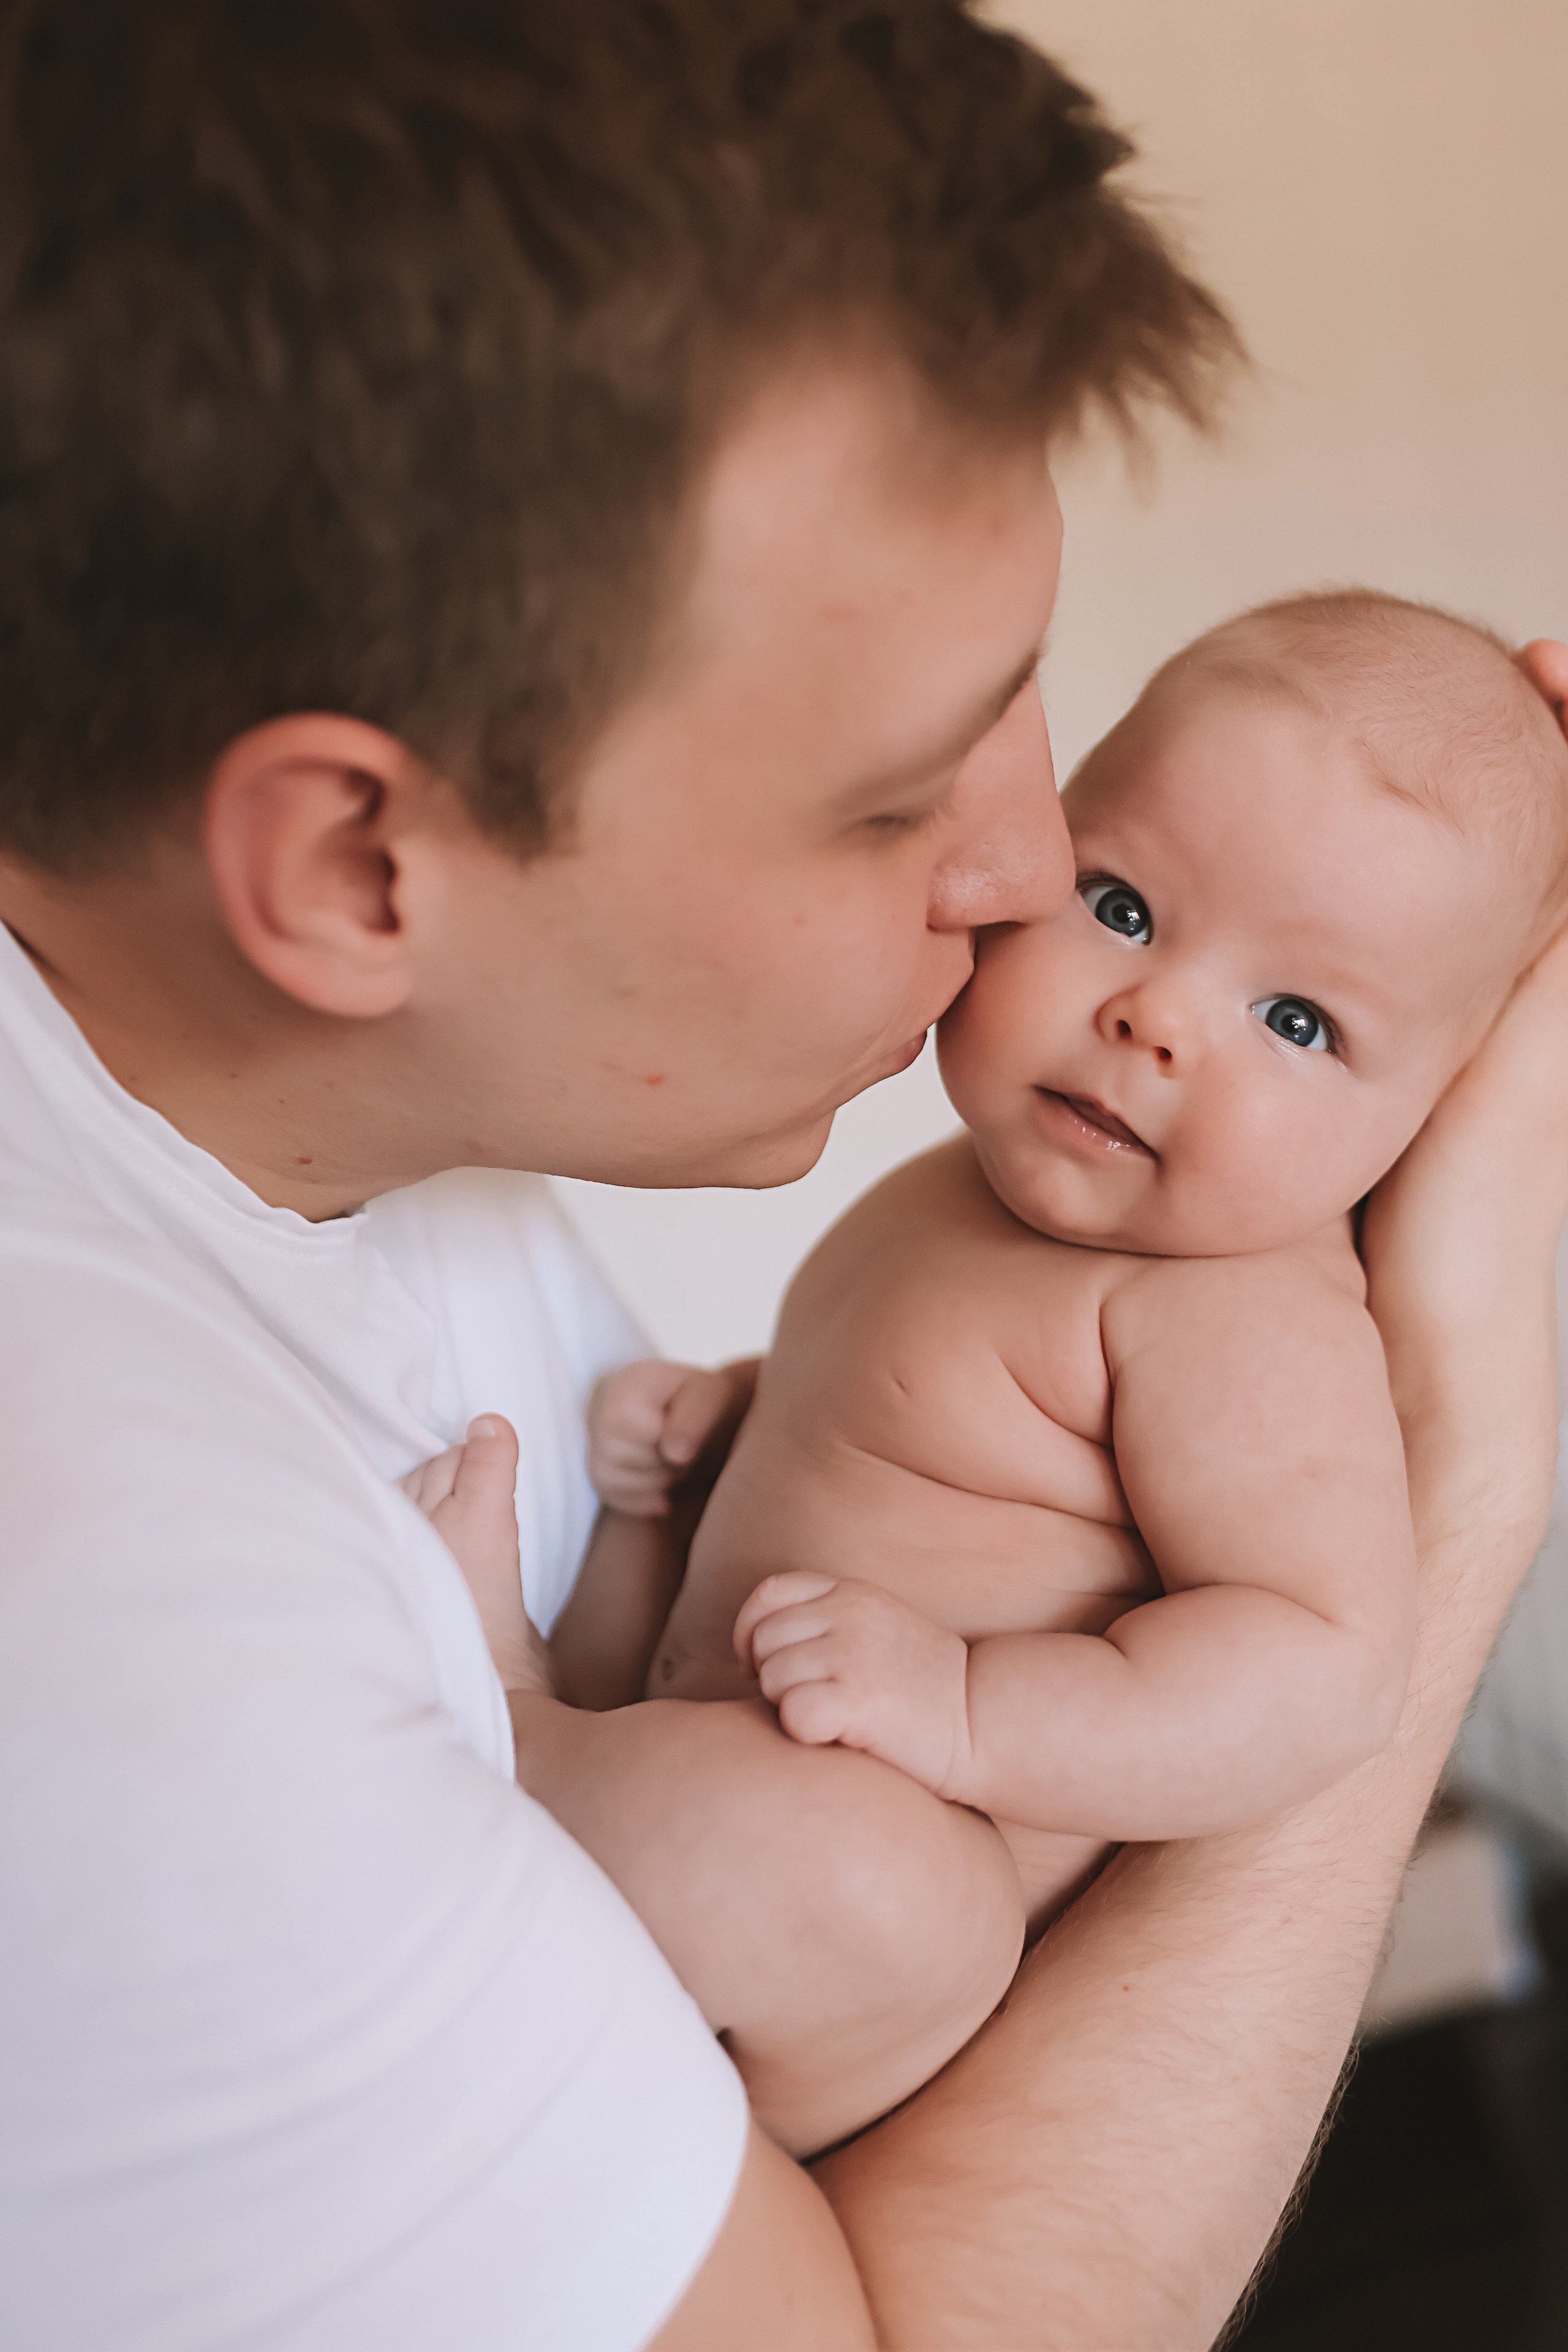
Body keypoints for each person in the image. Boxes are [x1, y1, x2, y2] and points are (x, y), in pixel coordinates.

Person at [0, 3, 1566, 2346]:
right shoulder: (127, 1644)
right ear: (351, 866)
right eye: (894, 797)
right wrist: (1476, 1438)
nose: (1031, 877)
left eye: (1033, 718)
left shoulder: (391, 1127)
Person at [430, 588, 1568, 2158]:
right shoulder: (980, 1196)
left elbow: (1320, 1663)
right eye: (1119, 903)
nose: (1154, 1017)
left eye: (1295, 1019)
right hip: (719, 1751)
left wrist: (968, 1712)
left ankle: (510, 1727)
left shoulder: (1237, 1317)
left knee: (862, 1889)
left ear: (1427, 1120)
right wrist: (734, 1414)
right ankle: (571, 1732)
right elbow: (940, 1447)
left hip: (885, 1931)